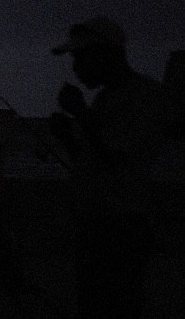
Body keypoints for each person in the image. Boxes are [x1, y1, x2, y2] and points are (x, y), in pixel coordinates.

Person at [50, 17, 168, 319]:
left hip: (121, 229)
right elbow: (93, 163)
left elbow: (118, 159)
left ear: (105, 53)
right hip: (97, 227)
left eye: (80, 57)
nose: (76, 68)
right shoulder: (105, 99)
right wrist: (68, 136)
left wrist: (81, 114)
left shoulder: (146, 96)